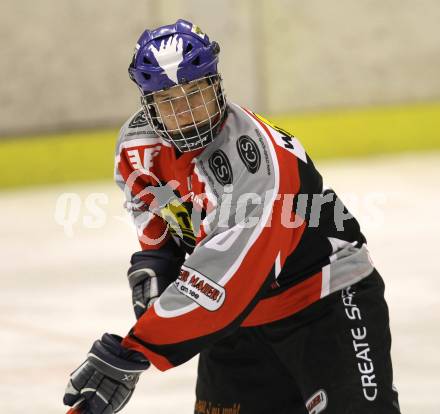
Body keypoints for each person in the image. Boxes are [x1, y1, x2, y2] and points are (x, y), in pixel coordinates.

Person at [63, 19, 401, 414]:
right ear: (148, 104)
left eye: (196, 93)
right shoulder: (137, 146)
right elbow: (158, 224)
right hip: (238, 324)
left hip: (325, 305)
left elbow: (224, 283)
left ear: (217, 85)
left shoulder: (255, 161)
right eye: (169, 101)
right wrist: (156, 261)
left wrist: (134, 351)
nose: (187, 111)